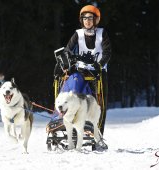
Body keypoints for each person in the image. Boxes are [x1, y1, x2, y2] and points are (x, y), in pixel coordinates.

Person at [61, 5, 111, 135]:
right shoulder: (78, 34)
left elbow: (107, 53)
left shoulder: (102, 33)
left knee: (100, 104)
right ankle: (73, 127)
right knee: (75, 96)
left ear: (96, 20)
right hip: (82, 71)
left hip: (98, 72)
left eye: (90, 18)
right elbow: (67, 50)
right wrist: (69, 61)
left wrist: (99, 64)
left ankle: (98, 133)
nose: (87, 21)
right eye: (84, 18)